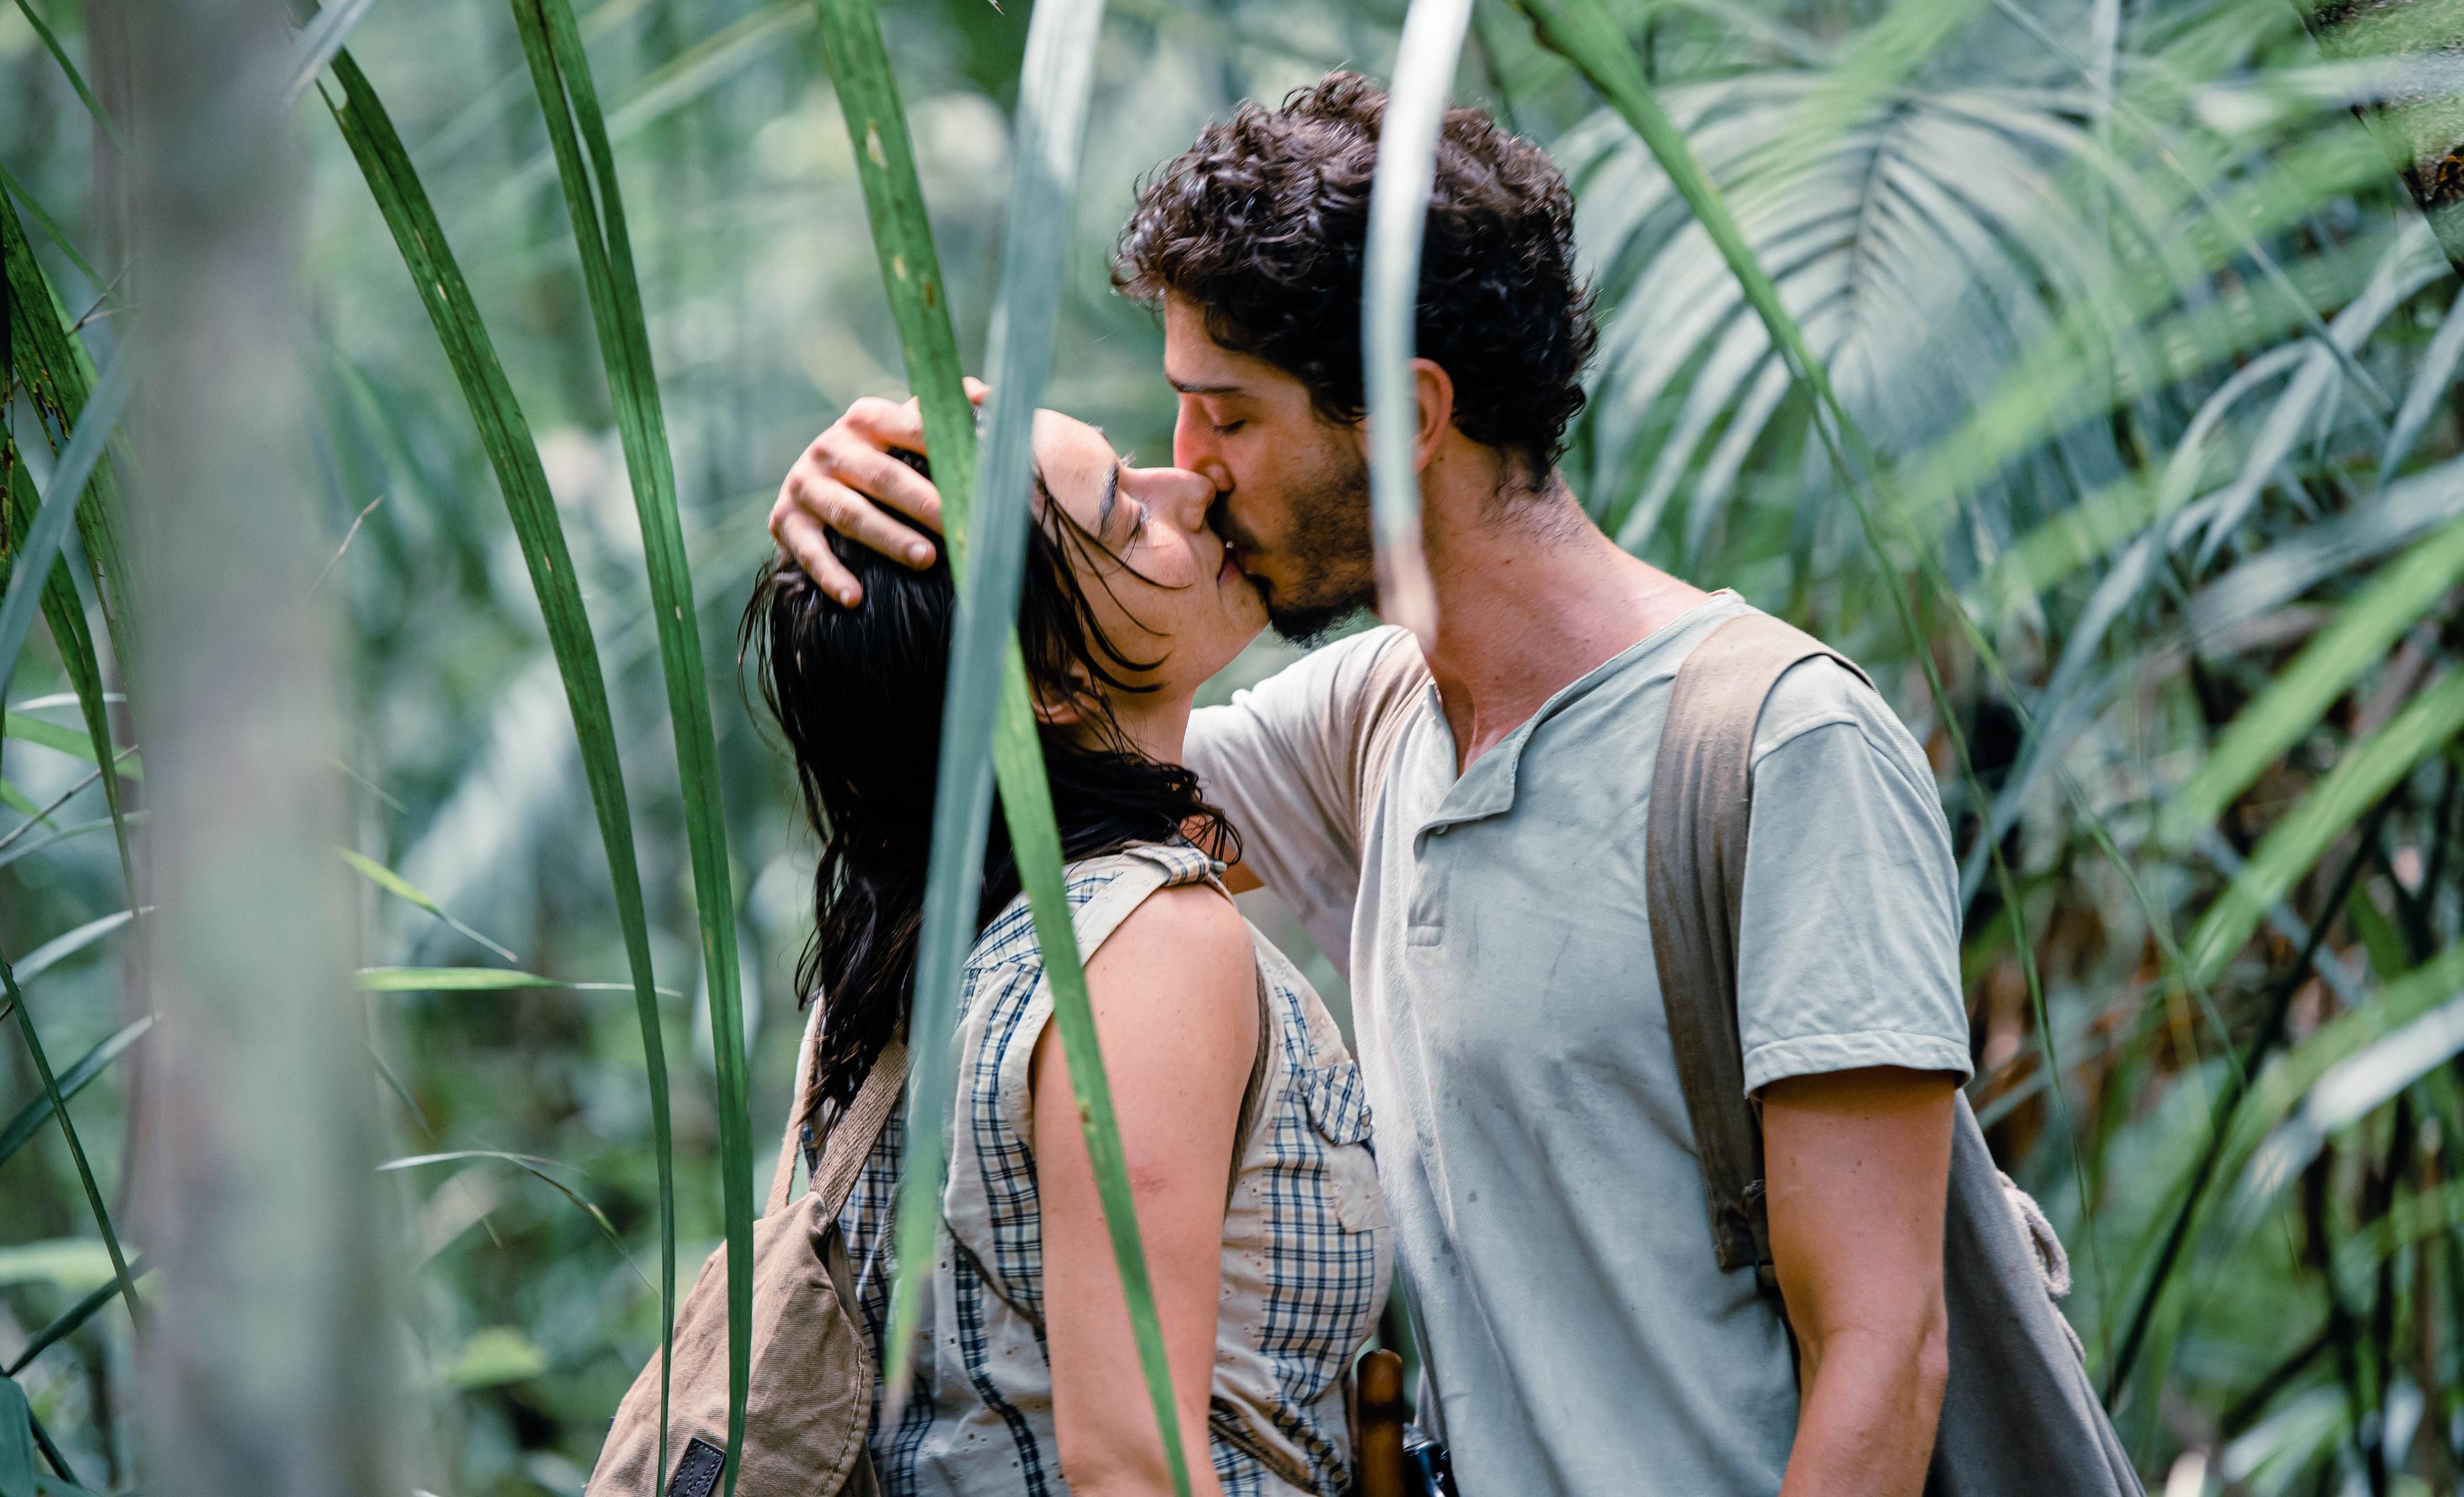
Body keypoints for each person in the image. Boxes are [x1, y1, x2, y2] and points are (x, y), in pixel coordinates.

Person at [769, 74, 1972, 1497]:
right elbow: (1014, 775)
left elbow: (1884, 1358)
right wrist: (879, 526)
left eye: (1228, 418)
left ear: (1406, 416)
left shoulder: (1777, 751)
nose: (1192, 478)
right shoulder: (1377, 724)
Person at [744, 408, 1394, 1496]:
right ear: (1049, 684)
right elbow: (1132, 1466)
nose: (1188, 486)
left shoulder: (902, 947)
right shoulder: (1153, 942)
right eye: (1129, 516)